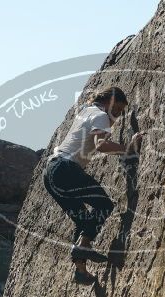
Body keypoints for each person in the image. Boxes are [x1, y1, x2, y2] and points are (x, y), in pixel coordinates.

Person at [43, 86, 144, 285]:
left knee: (83, 222)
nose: (116, 116)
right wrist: (128, 149)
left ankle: (80, 270)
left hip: (50, 173)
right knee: (104, 205)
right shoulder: (100, 116)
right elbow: (101, 145)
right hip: (66, 169)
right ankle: (84, 247)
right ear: (110, 102)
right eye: (116, 110)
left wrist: (113, 122)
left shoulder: (87, 111)